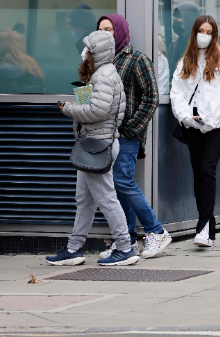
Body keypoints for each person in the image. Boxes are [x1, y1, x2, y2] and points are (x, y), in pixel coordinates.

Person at [46, 31, 138, 266]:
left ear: (98, 51)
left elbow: (98, 112)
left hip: (99, 144)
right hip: (93, 144)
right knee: (84, 199)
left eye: (88, 48)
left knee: (107, 198)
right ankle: (74, 248)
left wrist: (68, 109)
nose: (84, 52)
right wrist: (81, 100)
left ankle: (125, 247)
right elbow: (97, 107)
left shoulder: (104, 76)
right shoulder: (101, 74)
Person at [94, 14, 171, 260]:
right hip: (99, 134)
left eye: (109, 29)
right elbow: (85, 91)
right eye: (100, 29)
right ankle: (124, 241)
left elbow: (151, 97)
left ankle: (155, 231)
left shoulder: (137, 59)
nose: (105, 33)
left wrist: (130, 128)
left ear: (119, 31)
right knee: (115, 187)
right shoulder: (94, 60)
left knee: (122, 181)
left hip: (125, 135)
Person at [171, 15, 220, 247]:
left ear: (214, 34)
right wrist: (187, 117)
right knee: (198, 174)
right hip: (192, 125)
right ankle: (207, 225)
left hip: (217, 125)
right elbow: (177, 92)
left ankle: (203, 227)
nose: (204, 35)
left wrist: (209, 120)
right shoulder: (185, 60)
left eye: (209, 32)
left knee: (207, 169)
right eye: (201, 30)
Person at [167, 1, 200, 77]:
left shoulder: (202, 45)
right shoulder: (173, 46)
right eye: (175, 17)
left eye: (179, 17)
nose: (176, 21)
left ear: (189, 20)